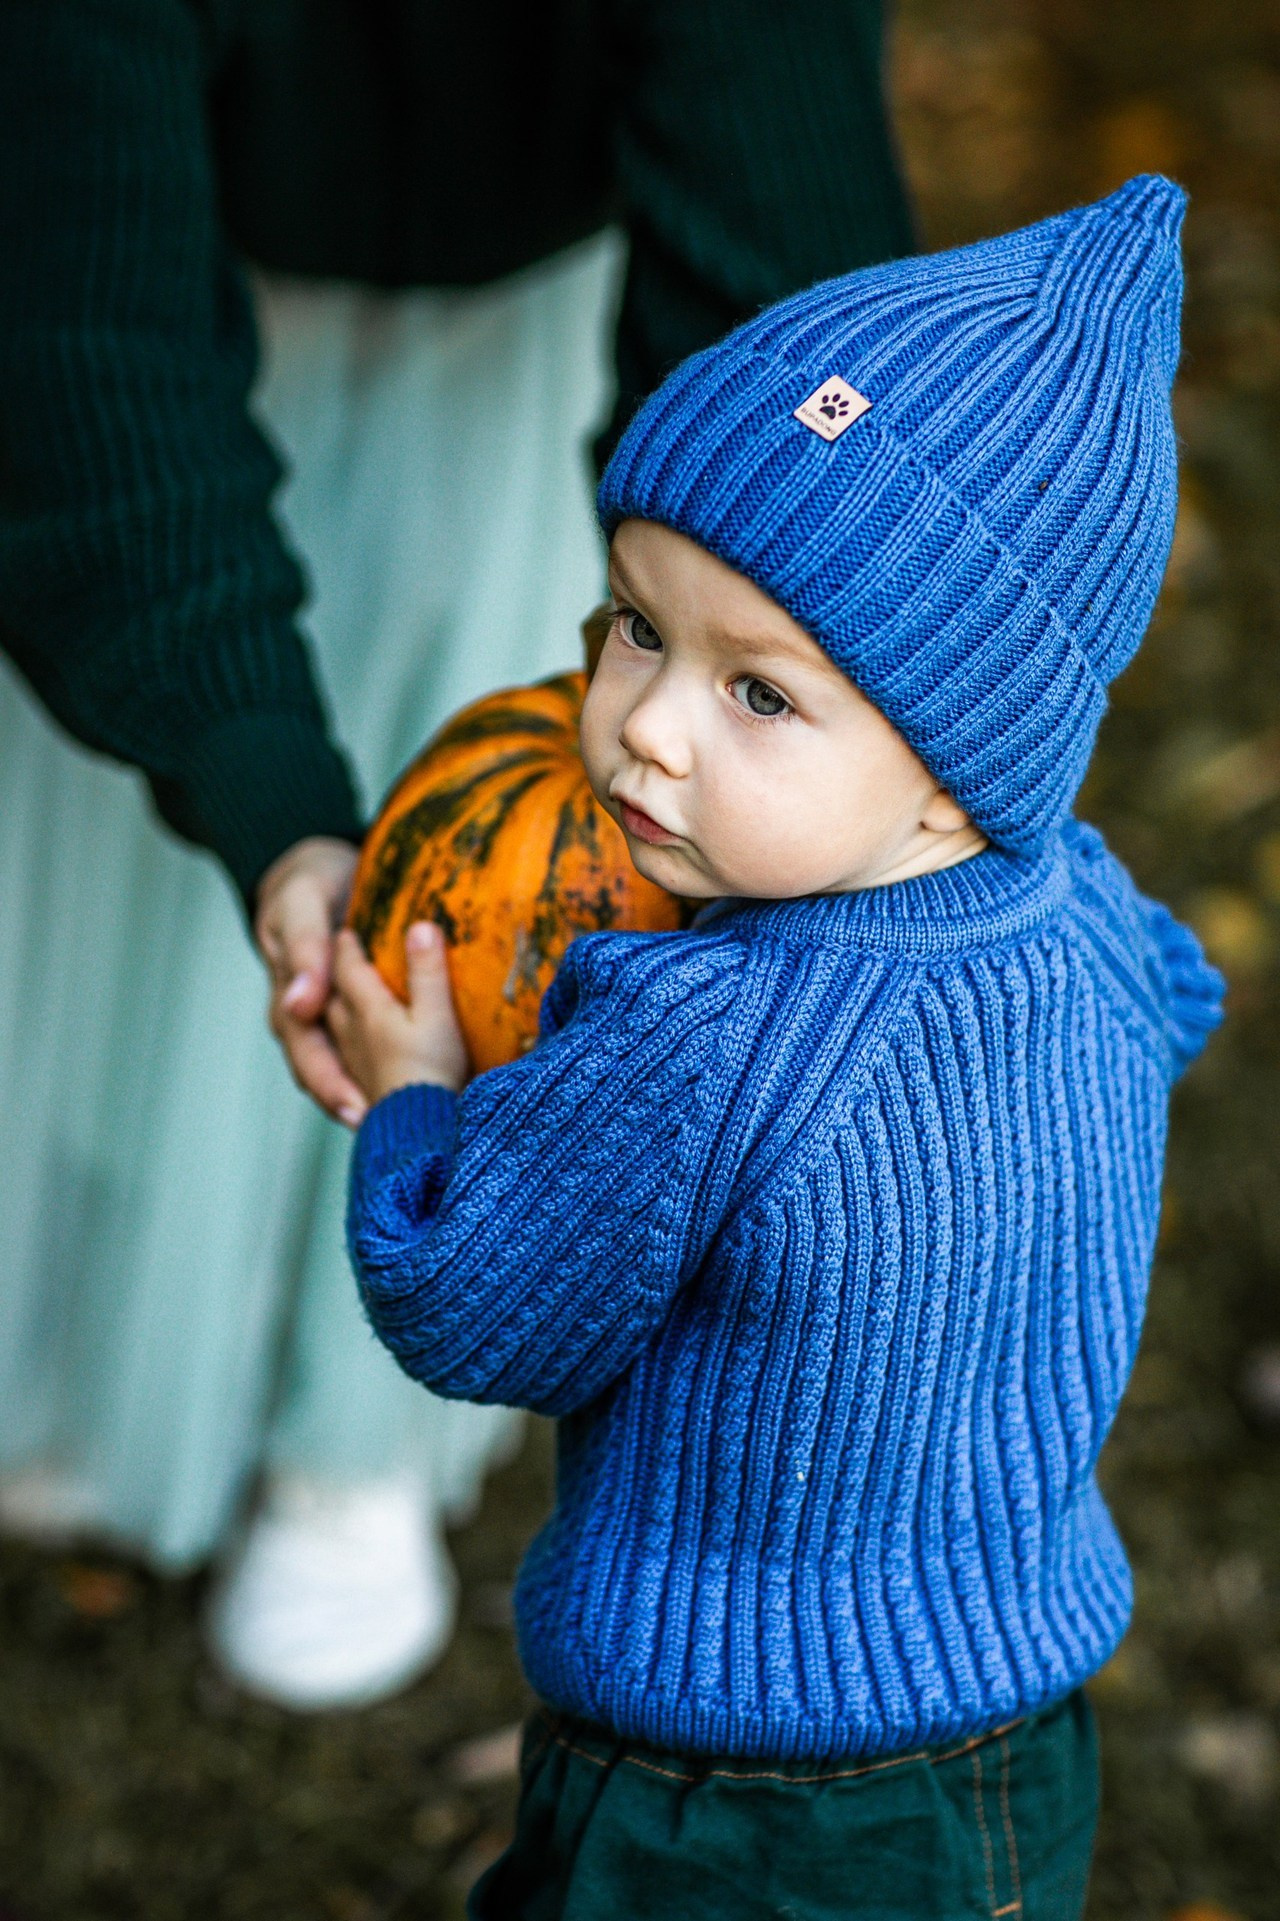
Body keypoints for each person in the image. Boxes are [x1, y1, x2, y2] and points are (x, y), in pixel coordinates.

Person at [327, 176, 1224, 1916]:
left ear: (958, 768)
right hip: (1009, 1742)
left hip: (720, 1804)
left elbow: (465, 1295)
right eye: (638, 625)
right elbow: (1179, 1000)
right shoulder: (1092, 915)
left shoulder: (702, 1036)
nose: (643, 729)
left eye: (760, 692)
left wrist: (418, 1092)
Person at [0, 0, 916, 1704]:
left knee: (521, 941)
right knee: (127, 906)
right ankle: (104, 1308)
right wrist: (272, 801)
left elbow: (778, 259)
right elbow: (85, 343)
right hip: (175, 261)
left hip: (538, 324)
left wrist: (723, 650)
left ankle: (359, 1427)